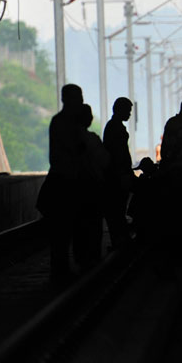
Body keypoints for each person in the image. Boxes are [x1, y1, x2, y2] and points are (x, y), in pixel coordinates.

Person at [39, 83, 85, 280]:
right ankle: (62, 270)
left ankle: (61, 269)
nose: (81, 101)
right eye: (78, 97)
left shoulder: (58, 121)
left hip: (60, 182)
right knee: (65, 230)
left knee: (61, 232)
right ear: (69, 99)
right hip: (66, 184)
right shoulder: (69, 123)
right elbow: (74, 151)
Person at [75, 103, 110, 269]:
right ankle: (93, 258)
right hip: (93, 187)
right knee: (94, 225)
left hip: (75, 188)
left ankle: (80, 259)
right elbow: (105, 161)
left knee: (79, 227)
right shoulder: (92, 139)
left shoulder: (68, 138)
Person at [102, 97, 133, 249]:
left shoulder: (113, 126)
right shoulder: (116, 128)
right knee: (117, 209)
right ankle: (120, 240)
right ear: (120, 110)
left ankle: (119, 240)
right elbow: (118, 154)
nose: (129, 114)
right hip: (117, 175)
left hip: (116, 174)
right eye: (128, 111)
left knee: (117, 209)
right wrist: (125, 172)